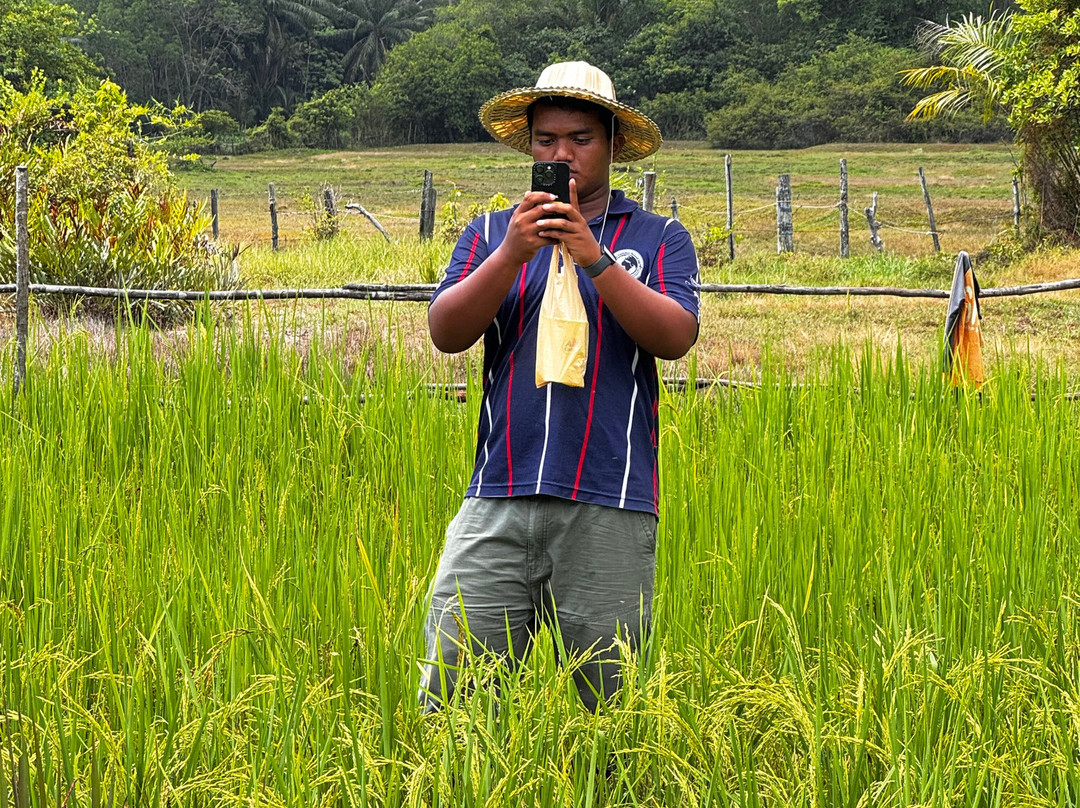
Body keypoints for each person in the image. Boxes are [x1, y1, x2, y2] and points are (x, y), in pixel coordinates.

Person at [421, 61, 700, 711]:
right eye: (546, 140)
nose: (563, 153)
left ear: (611, 145)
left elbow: (674, 337)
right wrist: (514, 254)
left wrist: (593, 257)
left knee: (612, 702)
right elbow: (447, 331)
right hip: (500, 491)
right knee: (457, 693)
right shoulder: (493, 234)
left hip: (610, 496)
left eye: (580, 138)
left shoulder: (656, 238)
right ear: (530, 146)